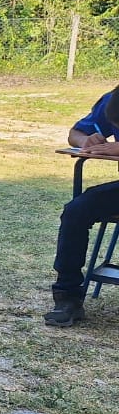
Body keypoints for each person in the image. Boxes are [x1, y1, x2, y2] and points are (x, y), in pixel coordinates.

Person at [44, 88, 119, 326]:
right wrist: (85, 140)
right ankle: (67, 297)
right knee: (76, 211)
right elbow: (75, 133)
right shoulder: (112, 100)